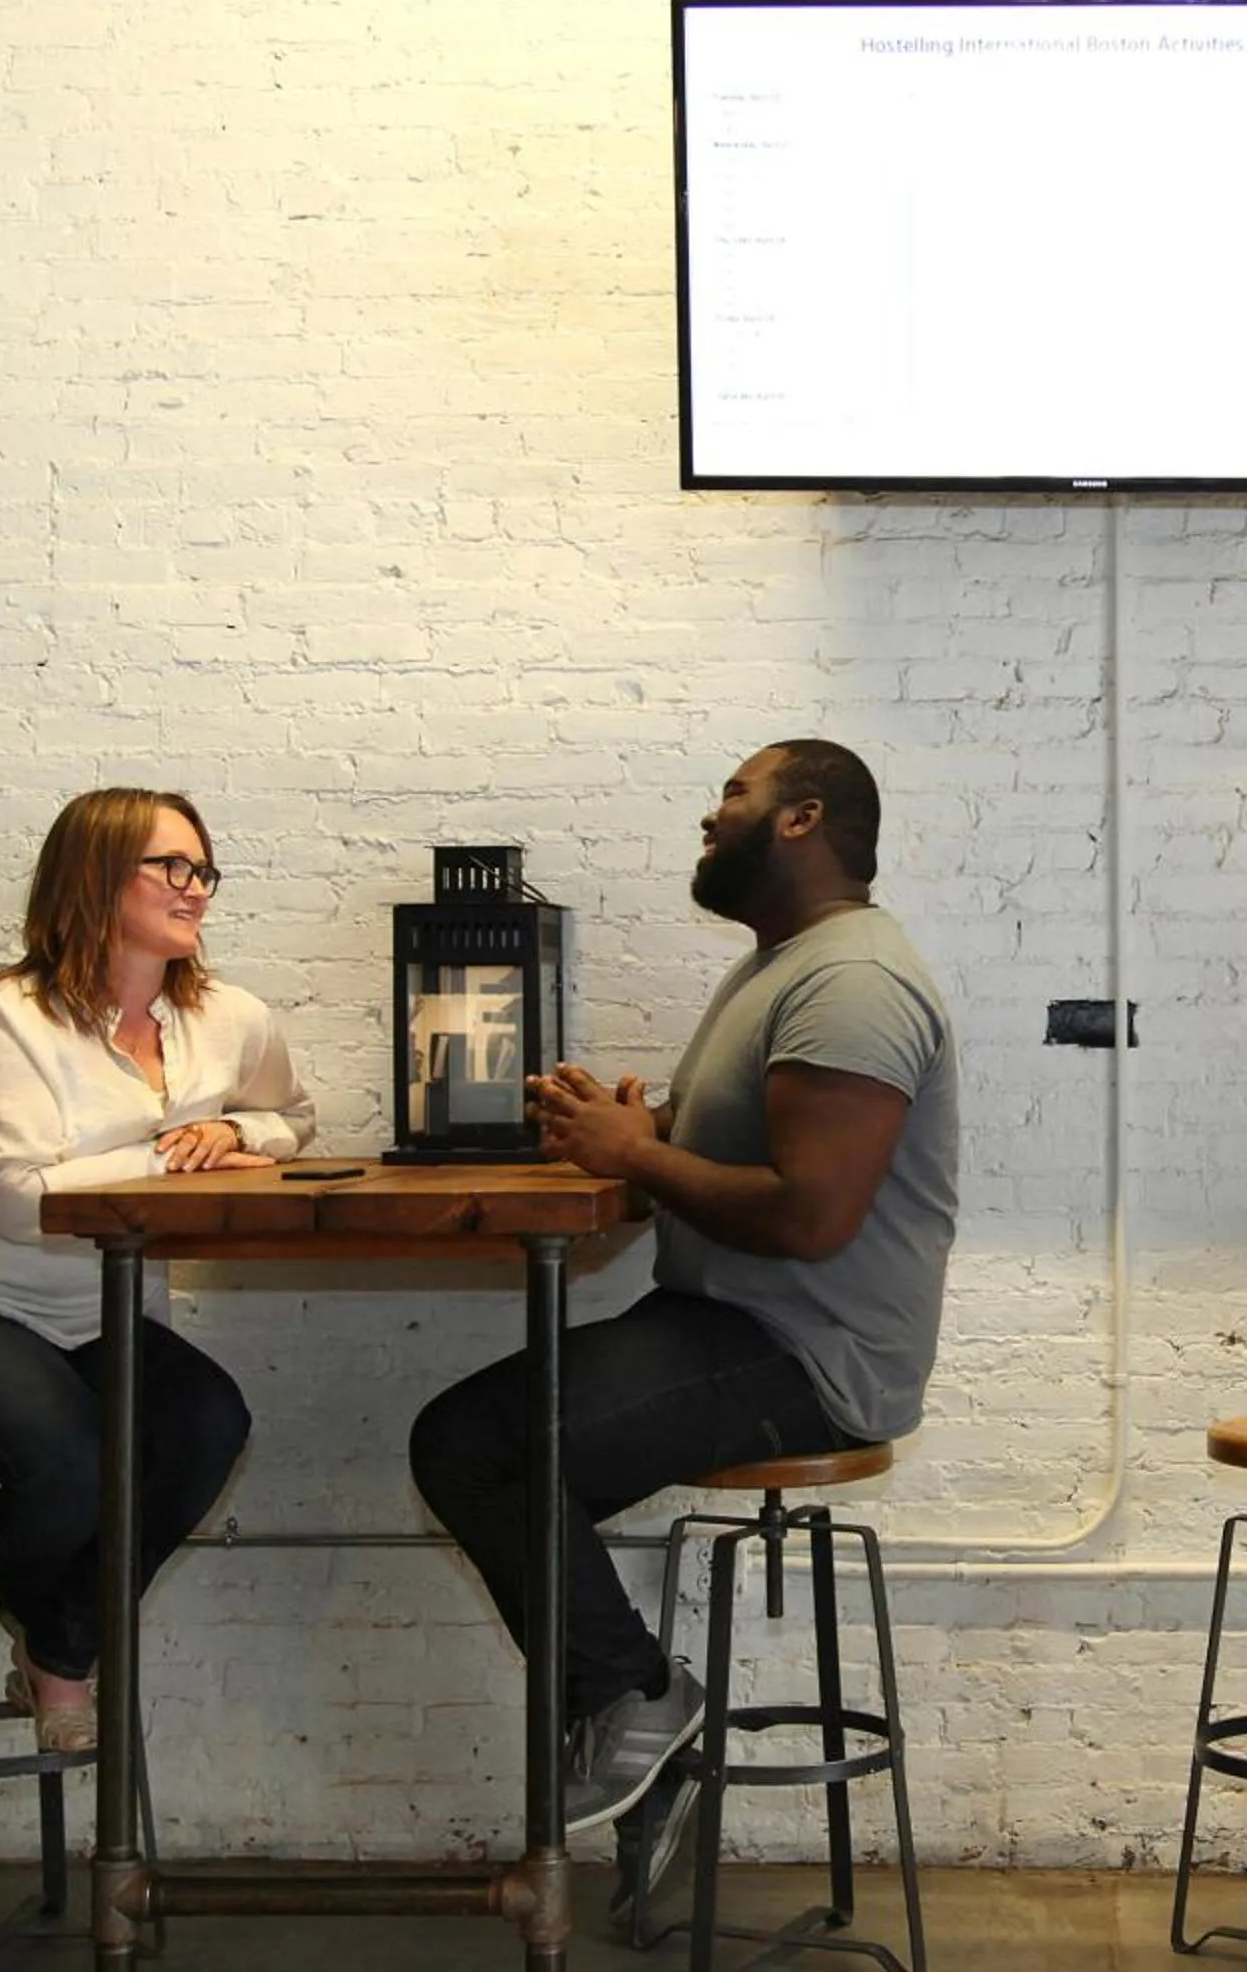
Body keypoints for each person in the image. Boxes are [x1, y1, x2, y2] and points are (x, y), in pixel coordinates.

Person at [408, 739, 959, 1886]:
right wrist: (641, 1127)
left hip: (806, 1353)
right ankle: (637, 1744)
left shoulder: (851, 980)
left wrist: (638, 1160)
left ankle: (638, 1705)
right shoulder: (782, 964)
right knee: (495, 1459)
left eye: (734, 795)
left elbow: (811, 1215)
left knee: (477, 1446)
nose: (712, 818)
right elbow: (752, 1147)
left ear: (803, 819)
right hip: (736, 1325)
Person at [0, 788, 315, 1753]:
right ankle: (53, 1633)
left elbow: (294, 1125)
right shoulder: (2, 1019)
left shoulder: (231, 1018)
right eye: (169, 868)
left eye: (202, 869)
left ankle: (60, 1645)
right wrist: (171, 1151)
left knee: (207, 1425)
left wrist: (234, 1129)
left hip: (92, 1317)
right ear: (93, 877)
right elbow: (20, 1201)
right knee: (72, 1456)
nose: (195, 890)